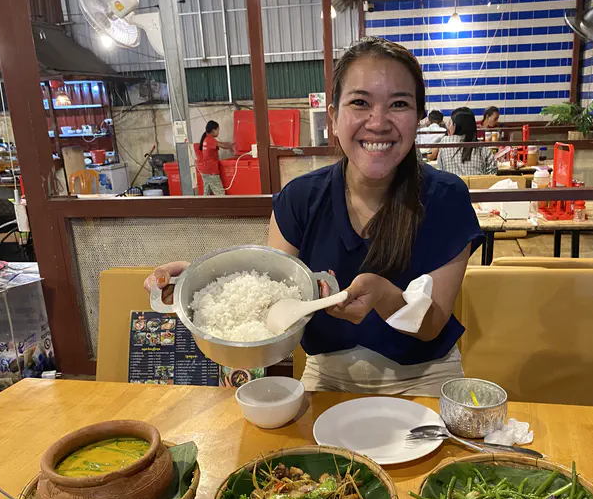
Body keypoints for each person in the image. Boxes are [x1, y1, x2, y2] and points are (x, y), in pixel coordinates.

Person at [146, 37, 483, 397]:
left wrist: (385, 296)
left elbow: (431, 325)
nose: (379, 122)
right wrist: (201, 284)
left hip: (426, 375)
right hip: (330, 375)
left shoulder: (446, 198)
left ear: (418, 118)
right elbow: (271, 300)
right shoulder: (300, 199)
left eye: (399, 104)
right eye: (360, 102)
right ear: (334, 119)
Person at [435, 111, 497, 176]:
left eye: (450, 123)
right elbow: (492, 173)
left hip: (452, 185)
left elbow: (441, 168)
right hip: (479, 185)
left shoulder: (445, 142)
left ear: (455, 126)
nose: (449, 127)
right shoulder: (483, 148)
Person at [198, 121, 234, 196]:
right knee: (221, 194)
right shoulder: (210, 140)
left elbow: (222, 144)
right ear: (213, 130)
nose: (218, 132)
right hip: (211, 171)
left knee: (206, 194)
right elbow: (223, 146)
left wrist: (230, 144)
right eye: (218, 130)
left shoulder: (207, 139)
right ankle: (223, 208)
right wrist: (232, 146)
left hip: (205, 171)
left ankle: (203, 207)